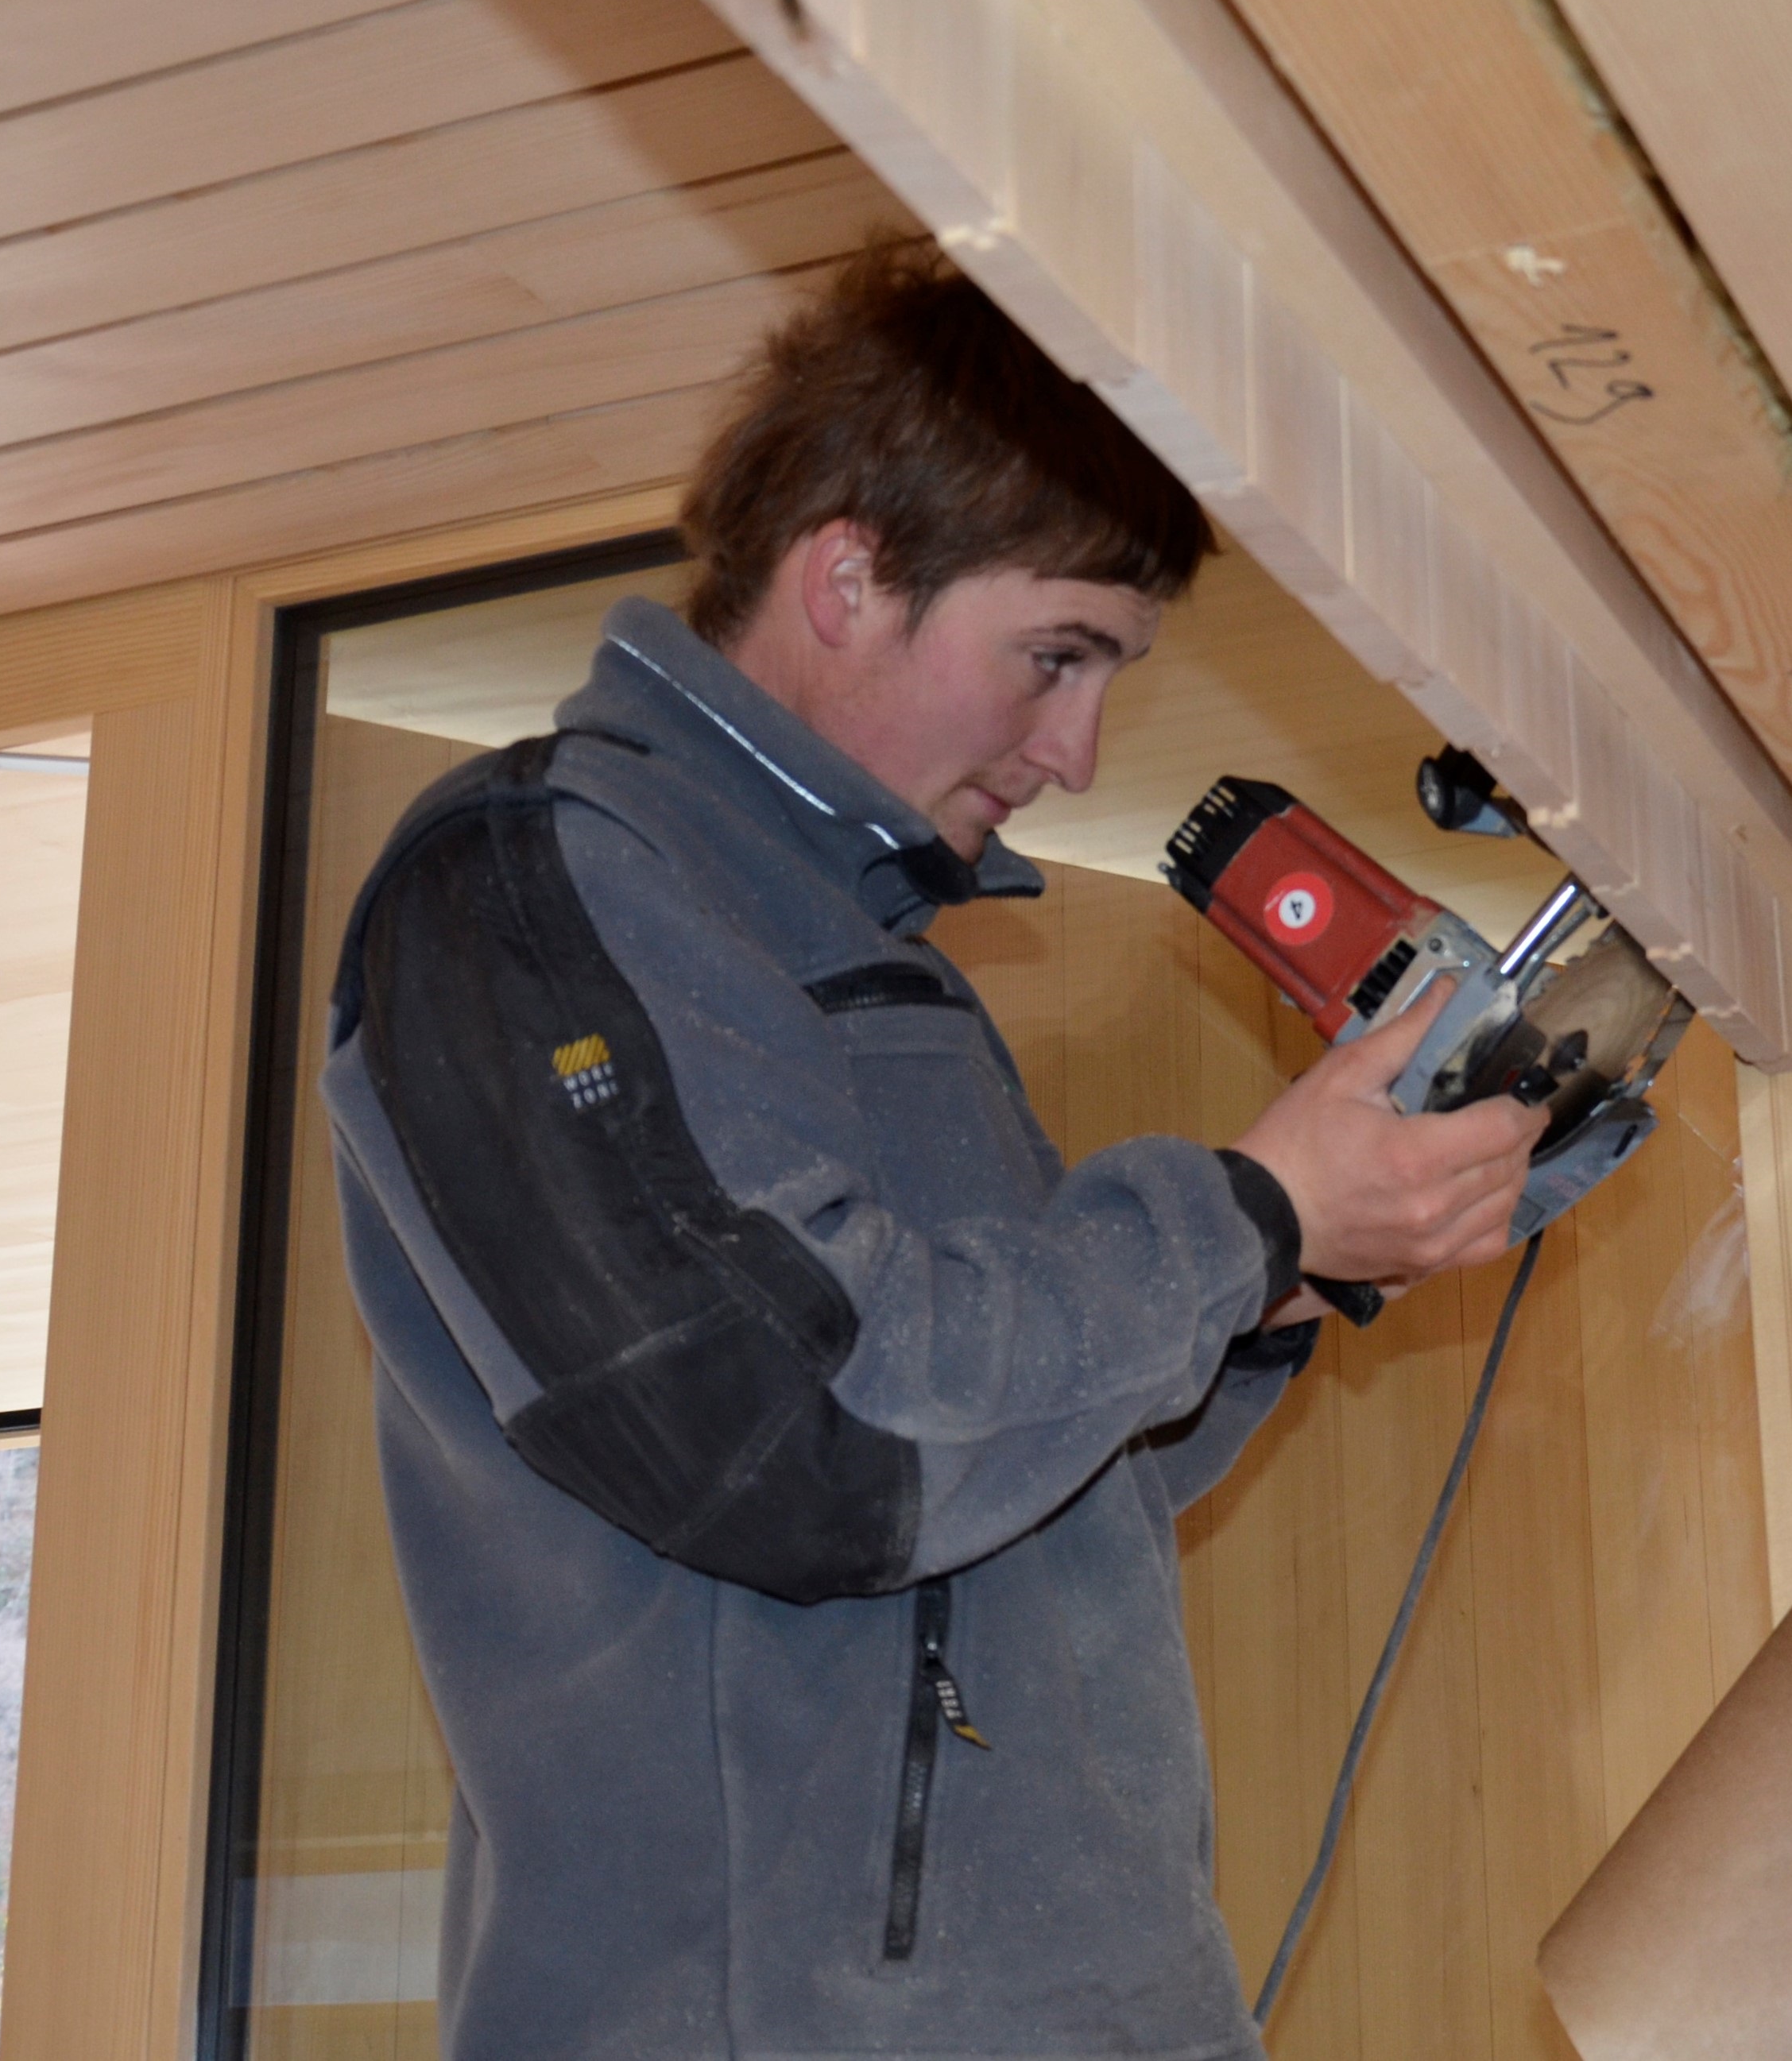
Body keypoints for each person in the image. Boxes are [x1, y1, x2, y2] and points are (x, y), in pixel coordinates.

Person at [320, 246, 1544, 2061]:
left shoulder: (874, 961)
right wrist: (1247, 1215)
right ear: (848, 574)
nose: (1080, 749)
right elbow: (809, 1436)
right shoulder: (528, 883)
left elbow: (1029, 1480)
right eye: (1056, 656)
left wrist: (1297, 1269)